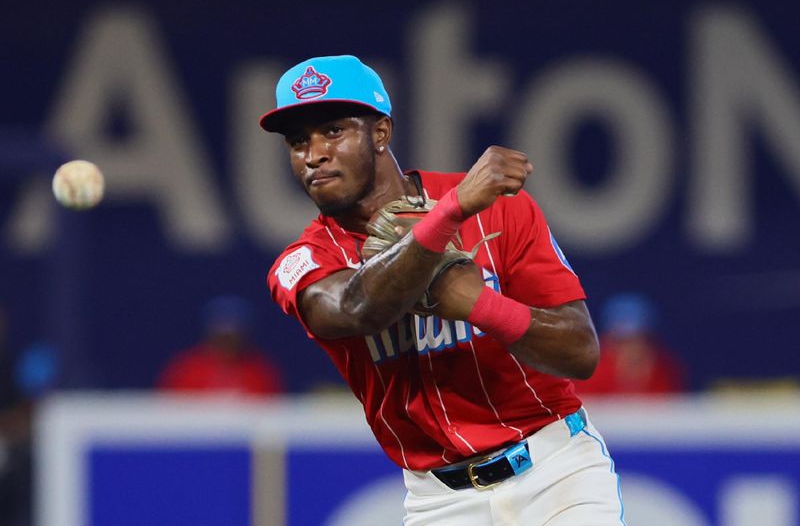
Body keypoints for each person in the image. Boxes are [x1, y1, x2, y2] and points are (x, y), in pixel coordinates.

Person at [261, 55, 625, 524]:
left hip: (556, 471)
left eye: (333, 130)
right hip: (441, 500)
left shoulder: (498, 210)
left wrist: (482, 305)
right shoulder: (303, 261)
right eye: (297, 142)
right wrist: (446, 216)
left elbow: (581, 353)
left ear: (380, 134)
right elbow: (356, 308)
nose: (313, 155)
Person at [157, 295, 285, 397]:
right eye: (221, 336)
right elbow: (168, 412)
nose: (227, 342)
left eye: (232, 336)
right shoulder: (187, 369)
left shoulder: (260, 371)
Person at [576, 293, 686, 396]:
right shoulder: (591, 373)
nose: (630, 349)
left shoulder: (662, 371)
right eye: (621, 341)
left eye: (637, 339)